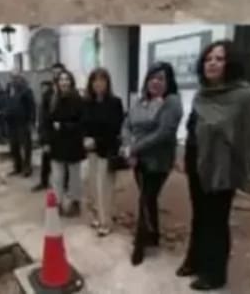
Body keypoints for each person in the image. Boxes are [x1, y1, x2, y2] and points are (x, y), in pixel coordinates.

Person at [177, 40, 250, 291]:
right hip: (197, 163)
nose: (212, 63)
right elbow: (192, 129)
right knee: (199, 216)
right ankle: (195, 260)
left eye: (219, 59)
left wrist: (240, 164)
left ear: (230, 63)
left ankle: (215, 274)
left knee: (216, 220)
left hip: (223, 168)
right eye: (209, 58)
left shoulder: (244, 96)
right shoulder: (201, 95)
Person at [120, 62, 183, 265]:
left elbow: (163, 134)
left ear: (168, 82)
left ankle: (139, 247)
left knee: (145, 200)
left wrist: (134, 149)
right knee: (148, 199)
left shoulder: (171, 102)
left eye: (161, 78)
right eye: (152, 77)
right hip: (138, 160)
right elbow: (127, 125)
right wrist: (128, 145)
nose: (155, 82)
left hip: (157, 162)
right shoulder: (140, 102)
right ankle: (153, 236)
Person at [82, 68, 124, 237]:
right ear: (91, 84)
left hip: (107, 150)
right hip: (91, 151)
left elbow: (115, 128)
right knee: (93, 186)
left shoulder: (115, 102)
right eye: (95, 80)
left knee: (105, 188)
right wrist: (84, 138)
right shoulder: (87, 103)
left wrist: (96, 140)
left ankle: (106, 222)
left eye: (102, 80)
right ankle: (98, 217)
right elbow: (83, 124)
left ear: (108, 83)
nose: (98, 83)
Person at [46, 68, 86, 216]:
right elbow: (48, 121)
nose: (64, 82)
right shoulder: (53, 99)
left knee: (74, 176)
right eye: (61, 79)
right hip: (57, 144)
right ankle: (58, 203)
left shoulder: (78, 99)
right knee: (57, 176)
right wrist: (47, 140)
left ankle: (75, 202)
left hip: (73, 143)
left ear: (71, 82)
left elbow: (82, 122)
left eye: (67, 79)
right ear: (57, 82)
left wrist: (63, 126)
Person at [34, 63, 67, 192]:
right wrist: (43, 135)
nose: (56, 75)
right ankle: (44, 182)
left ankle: (65, 185)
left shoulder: (69, 92)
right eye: (54, 73)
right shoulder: (48, 93)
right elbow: (43, 115)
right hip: (49, 132)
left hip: (63, 132)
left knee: (63, 161)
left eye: (59, 72)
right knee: (46, 157)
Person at [3, 73, 36, 177]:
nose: (13, 79)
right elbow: (6, 103)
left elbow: (32, 107)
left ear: (20, 78)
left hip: (23, 123)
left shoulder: (26, 90)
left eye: (15, 77)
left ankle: (27, 168)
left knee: (26, 147)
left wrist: (31, 122)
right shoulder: (8, 90)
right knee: (14, 147)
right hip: (11, 123)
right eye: (11, 77)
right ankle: (17, 167)